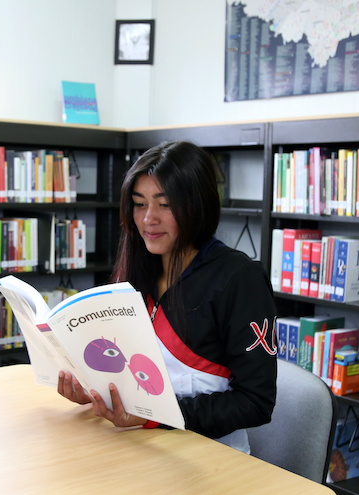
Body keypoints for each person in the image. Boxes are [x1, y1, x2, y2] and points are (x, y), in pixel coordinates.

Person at [57, 141, 277, 453]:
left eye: (166, 204)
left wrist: (158, 417)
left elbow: (256, 402)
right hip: (140, 445)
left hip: (210, 456)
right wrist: (96, 393)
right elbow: (128, 373)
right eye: (139, 203)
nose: (149, 219)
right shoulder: (136, 270)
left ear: (197, 205)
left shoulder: (239, 278)